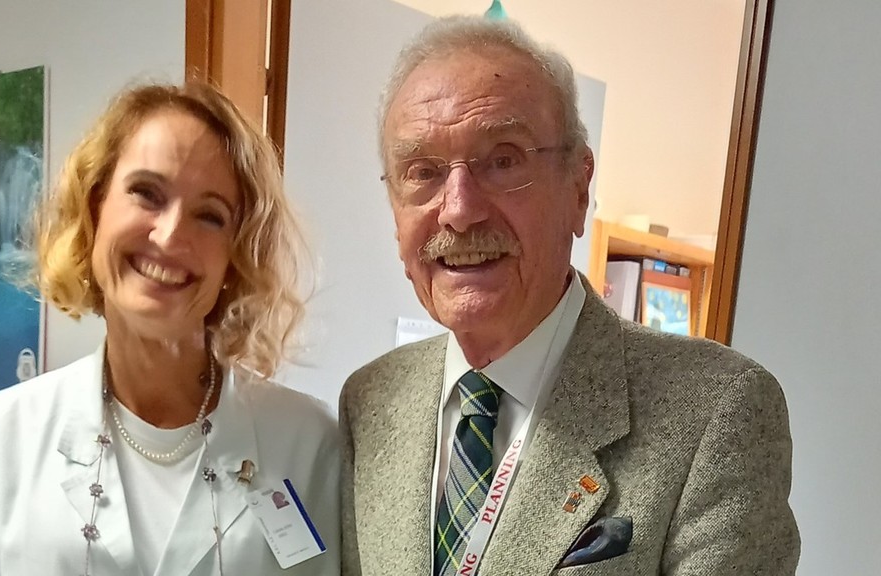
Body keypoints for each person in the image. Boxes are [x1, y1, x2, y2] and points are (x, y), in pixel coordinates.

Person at [340, 16, 799, 576]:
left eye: (503, 159)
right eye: (422, 172)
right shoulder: (370, 400)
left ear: (579, 188)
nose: (459, 210)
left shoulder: (716, 414)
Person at [0, 81, 340, 575]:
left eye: (210, 216)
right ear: (94, 208)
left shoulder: (307, 442)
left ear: (235, 256)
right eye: (147, 193)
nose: (169, 236)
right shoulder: (2, 434)